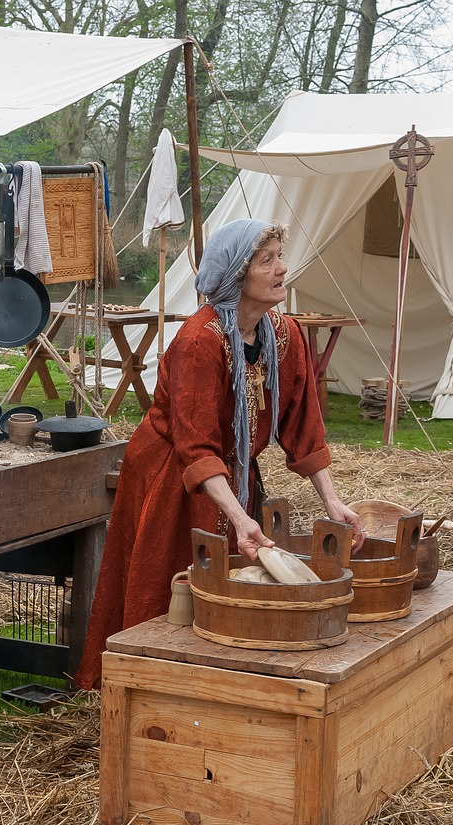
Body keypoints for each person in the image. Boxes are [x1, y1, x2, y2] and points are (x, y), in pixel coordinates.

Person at [73, 218, 364, 689]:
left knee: (234, 571)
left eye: (280, 258)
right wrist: (238, 512)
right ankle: (148, 685)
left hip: (232, 471)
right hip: (173, 472)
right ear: (235, 274)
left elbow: (303, 425)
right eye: (266, 261)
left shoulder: (283, 335)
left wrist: (332, 501)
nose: (281, 269)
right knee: (169, 579)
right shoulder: (199, 342)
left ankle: (220, 684)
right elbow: (196, 445)